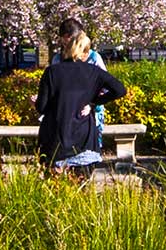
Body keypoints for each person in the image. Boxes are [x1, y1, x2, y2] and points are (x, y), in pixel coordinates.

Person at [34, 17, 126, 174]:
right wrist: (94, 102)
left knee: (55, 189)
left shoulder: (52, 70)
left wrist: (37, 103)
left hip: (56, 136)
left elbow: (42, 107)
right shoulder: (94, 71)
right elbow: (120, 90)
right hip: (84, 137)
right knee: (82, 185)